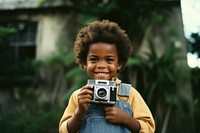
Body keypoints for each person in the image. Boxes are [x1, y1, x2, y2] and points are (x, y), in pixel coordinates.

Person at [59, 20, 155, 133]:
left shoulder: (129, 95)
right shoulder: (79, 96)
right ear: (85, 63)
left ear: (119, 64)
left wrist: (127, 119)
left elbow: (148, 128)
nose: (101, 65)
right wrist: (79, 111)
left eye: (109, 60)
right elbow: (64, 130)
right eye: (94, 59)